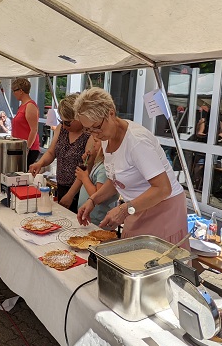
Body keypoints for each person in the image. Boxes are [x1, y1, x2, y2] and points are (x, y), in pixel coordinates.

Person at [74, 88, 188, 247]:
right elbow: (116, 179)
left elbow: (163, 188)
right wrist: (93, 200)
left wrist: (124, 210)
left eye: (96, 126)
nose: (94, 135)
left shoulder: (136, 141)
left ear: (111, 113)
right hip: (138, 206)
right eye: (88, 130)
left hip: (162, 208)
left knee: (152, 263)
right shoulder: (107, 137)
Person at [28, 94, 91, 211]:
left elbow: (86, 169)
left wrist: (70, 195)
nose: (64, 126)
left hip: (79, 190)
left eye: (68, 122)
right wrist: (40, 163)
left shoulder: (89, 135)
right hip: (61, 185)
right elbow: (51, 152)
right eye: (61, 121)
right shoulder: (61, 129)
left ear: (80, 118)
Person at [61, 136, 117, 225]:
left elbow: (98, 195)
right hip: (91, 217)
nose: (93, 145)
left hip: (98, 220)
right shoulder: (98, 164)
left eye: (96, 141)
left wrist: (84, 178)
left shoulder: (104, 168)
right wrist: (89, 163)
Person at [10, 78, 40, 166]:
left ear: (21, 91)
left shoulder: (30, 106)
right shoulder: (22, 106)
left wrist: (27, 148)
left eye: (14, 91)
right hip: (19, 147)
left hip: (28, 149)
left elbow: (34, 130)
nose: (13, 93)